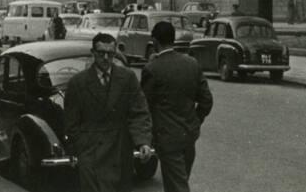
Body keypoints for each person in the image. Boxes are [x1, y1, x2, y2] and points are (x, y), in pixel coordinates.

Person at [65, 33, 152, 192]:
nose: (106, 58)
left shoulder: (127, 78)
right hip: (91, 153)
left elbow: (139, 112)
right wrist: (79, 151)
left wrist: (143, 141)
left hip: (120, 151)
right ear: (93, 53)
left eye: (110, 54)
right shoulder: (77, 83)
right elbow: (71, 124)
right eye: (101, 53)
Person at [141, 21, 212, 192]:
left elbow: (143, 106)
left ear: (155, 41)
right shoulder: (191, 63)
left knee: (177, 186)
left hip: (167, 138)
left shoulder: (152, 68)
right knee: (178, 182)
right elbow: (206, 100)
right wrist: (196, 120)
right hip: (189, 135)